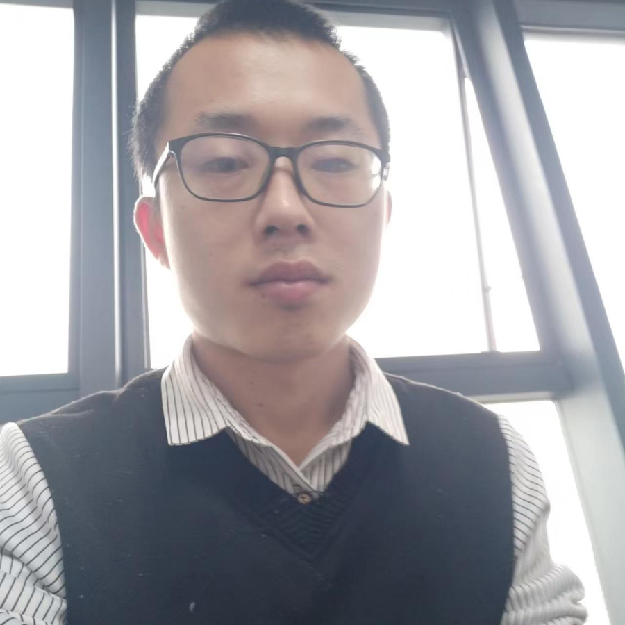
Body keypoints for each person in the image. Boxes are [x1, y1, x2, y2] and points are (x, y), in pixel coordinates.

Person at [0, 0, 587, 623]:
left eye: (333, 161)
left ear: (383, 215)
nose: (285, 210)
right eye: (224, 162)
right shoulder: (33, 484)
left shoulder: (493, 459)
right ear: (155, 231)